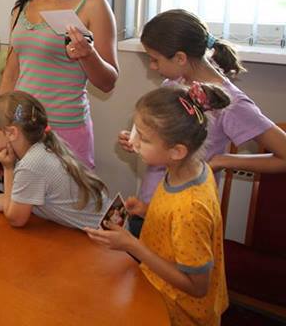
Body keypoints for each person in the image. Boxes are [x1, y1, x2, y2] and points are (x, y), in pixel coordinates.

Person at [86, 83, 230, 326]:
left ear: (176, 151)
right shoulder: (191, 169)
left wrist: (133, 246)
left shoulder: (191, 208)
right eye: (136, 131)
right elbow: (177, 224)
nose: (134, 142)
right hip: (157, 284)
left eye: (143, 138)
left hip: (178, 311)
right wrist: (146, 210)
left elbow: (197, 286)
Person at [117, 9, 285, 206]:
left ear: (180, 58)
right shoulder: (172, 84)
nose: (152, 67)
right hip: (151, 204)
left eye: (155, 59)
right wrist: (140, 139)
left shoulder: (232, 103)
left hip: (189, 209)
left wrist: (224, 160)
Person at [2, 0, 119, 169]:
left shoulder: (92, 4)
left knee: (67, 193)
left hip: (66, 130)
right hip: (23, 128)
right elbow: (11, 74)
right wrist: (0, 125)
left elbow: (108, 82)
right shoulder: (21, 8)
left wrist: (87, 54)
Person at [0, 91, 108, 229]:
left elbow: (15, 218)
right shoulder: (36, 150)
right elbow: (15, 200)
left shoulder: (32, 164)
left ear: (11, 133)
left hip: (101, 239)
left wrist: (8, 169)